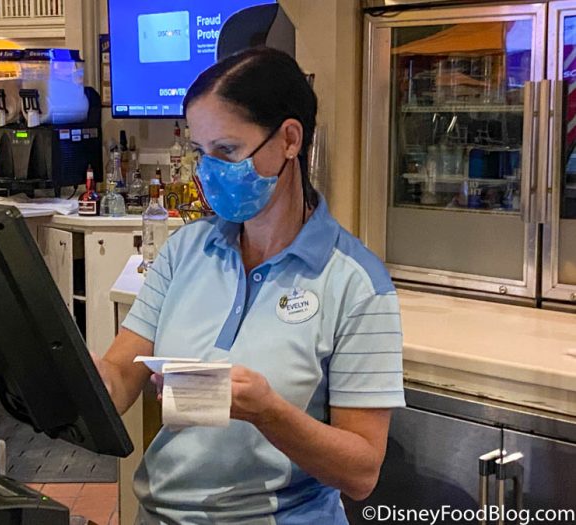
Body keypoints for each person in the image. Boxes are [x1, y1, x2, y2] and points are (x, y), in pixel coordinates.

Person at [94, 47, 405, 524]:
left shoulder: (356, 283)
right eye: (201, 153)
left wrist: (268, 412)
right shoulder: (184, 251)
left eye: (227, 151)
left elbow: (361, 472)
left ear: (289, 140)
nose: (209, 172)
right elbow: (119, 378)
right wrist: (71, 375)